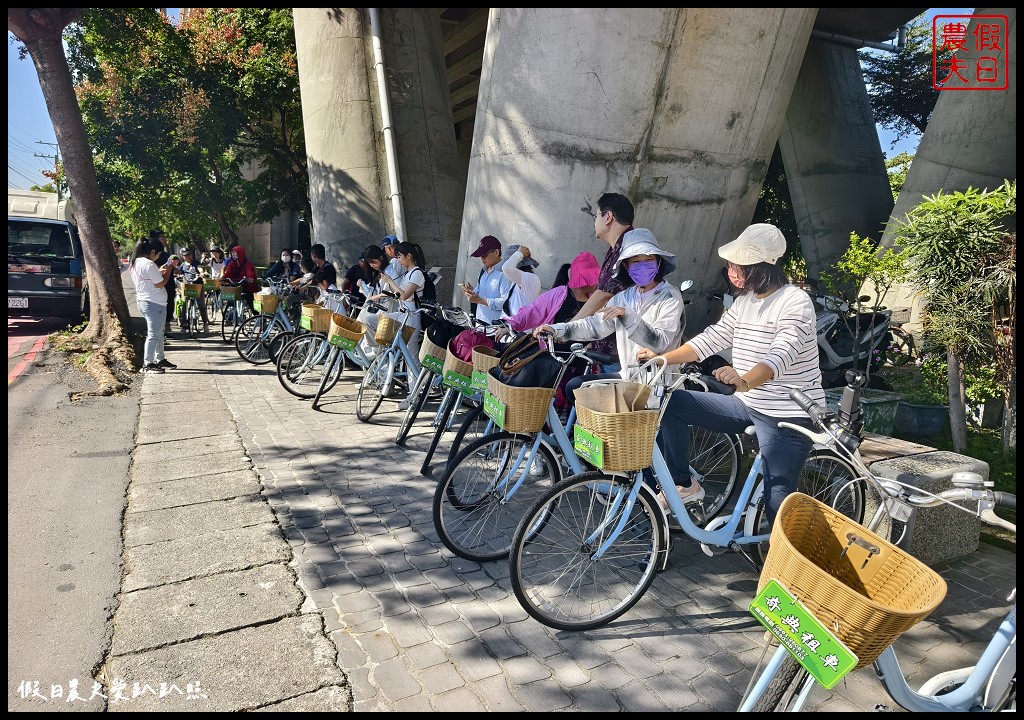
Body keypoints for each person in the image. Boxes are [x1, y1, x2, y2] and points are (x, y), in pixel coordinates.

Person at [636, 223, 824, 522]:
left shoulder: (794, 301)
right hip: (747, 405)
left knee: (777, 501)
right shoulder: (744, 302)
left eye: (739, 265)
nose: (731, 270)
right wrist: (662, 359)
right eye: (731, 265)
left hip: (789, 414)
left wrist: (745, 380)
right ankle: (684, 485)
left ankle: (784, 564)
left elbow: (782, 354)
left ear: (763, 267)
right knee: (673, 404)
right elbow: (712, 338)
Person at [533, 228, 684, 411]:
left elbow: (659, 342)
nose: (642, 265)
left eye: (649, 260)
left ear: (659, 262)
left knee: (666, 439)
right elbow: (595, 325)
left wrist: (626, 315)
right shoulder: (625, 297)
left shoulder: (670, 297)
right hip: (629, 378)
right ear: (627, 266)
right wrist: (558, 330)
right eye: (636, 261)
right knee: (576, 387)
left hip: (661, 385)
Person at [572, 193, 637, 372]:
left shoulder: (629, 249)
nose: (595, 222)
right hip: (610, 347)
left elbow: (604, 295)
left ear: (608, 217)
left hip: (622, 355)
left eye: (596, 216)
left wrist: (568, 328)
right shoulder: (618, 247)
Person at [365, 241, 427, 361]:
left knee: (411, 358)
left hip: (411, 318)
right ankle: (378, 352)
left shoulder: (417, 273)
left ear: (408, 256)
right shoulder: (408, 274)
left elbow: (403, 296)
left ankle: (417, 380)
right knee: (370, 321)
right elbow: (398, 295)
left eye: (399, 257)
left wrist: (390, 282)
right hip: (402, 315)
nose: (398, 261)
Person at [128, 237, 176, 373]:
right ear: (153, 251)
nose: (159, 256)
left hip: (145, 301)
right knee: (154, 334)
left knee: (158, 333)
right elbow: (159, 283)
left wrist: (159, 271)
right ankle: (148, 363)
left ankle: (160, 359)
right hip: (154, 303)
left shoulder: (135, 262)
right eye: (159, 254)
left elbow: (149, 278)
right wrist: (168, 272)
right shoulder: (148, 264)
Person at [462, 235, 513, 324]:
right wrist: (472, 293)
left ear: (496, 252)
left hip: (495, 329)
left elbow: (506, 302)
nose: (482, 258)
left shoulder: (505, 273)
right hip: (479, 325)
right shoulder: (483, 271)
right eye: (481, 256)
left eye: (485, 255)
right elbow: (479, 291)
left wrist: (480, 300)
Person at [498, 244, 542, 317]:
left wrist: (519, 254)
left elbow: (506, 268)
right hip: (508, 327)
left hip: (519, 328)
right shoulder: (516, 282)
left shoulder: (531, 278)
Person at [150, 229, 176, 337]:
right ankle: (162, 332)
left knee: (169, 305)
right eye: (162, 237)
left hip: (169, 284)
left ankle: (165, 329)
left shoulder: (164, 253)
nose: (165, 239)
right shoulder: (154, 253)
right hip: (161, 285)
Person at [178, 249, 211, 332]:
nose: (188, 257)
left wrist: (202, 273)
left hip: (198, 285)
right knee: (185, 304)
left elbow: (200, 268)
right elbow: (178, 272)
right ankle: (184, 324)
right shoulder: (182, 265)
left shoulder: (196, 263)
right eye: (186, 256)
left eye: (190, 255)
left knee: (201, 305)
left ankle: (205, 324)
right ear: (183, 257)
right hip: (187, 286)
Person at [221, 244, 259, 311]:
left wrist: (250, 278)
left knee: (250, 300)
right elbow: (228, 273)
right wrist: (223, 278)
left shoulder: (248, 263)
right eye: (232, 254)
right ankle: (229, 316)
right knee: (230, 300)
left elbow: (250, 272)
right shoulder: (231, 264)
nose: (234, 255)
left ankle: (256, 314)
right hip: (235, 286)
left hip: (246, 286)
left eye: (235, 253)